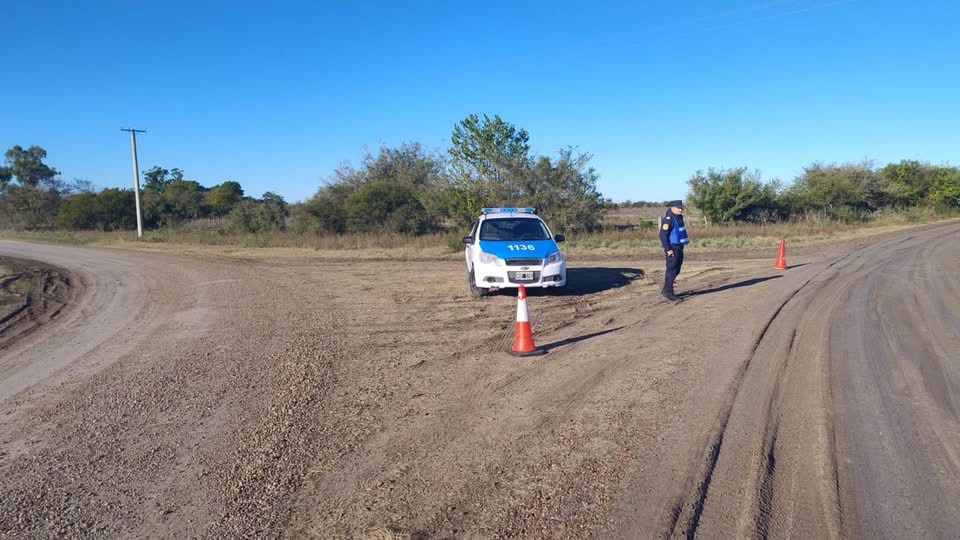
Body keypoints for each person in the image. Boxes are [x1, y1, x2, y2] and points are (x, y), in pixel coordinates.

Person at [659, 200, 689, 302]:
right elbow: (663, 235)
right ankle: (668, 292)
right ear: (672, 208)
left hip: (679, 246)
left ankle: (666, 289)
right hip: (673, 247)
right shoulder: (668, 219)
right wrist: (668, 249)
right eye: (679, 208)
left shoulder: (678, 217)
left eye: (681, 208)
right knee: (672, 269)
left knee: (677, 269)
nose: (681, 210)